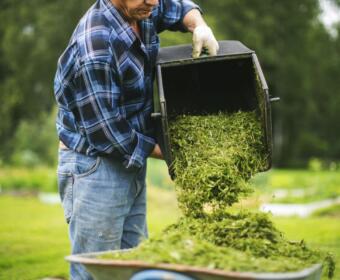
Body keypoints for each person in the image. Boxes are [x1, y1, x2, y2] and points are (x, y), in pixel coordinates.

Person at [54, 0, 219, 279]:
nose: (154, 2)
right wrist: (176, 153)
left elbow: (176, 8)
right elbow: (109, 134)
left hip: (129, 160)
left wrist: (200, 26)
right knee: (98, 270)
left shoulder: (142, 7)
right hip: (96, 166)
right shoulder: (95, 46)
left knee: (135, 264)